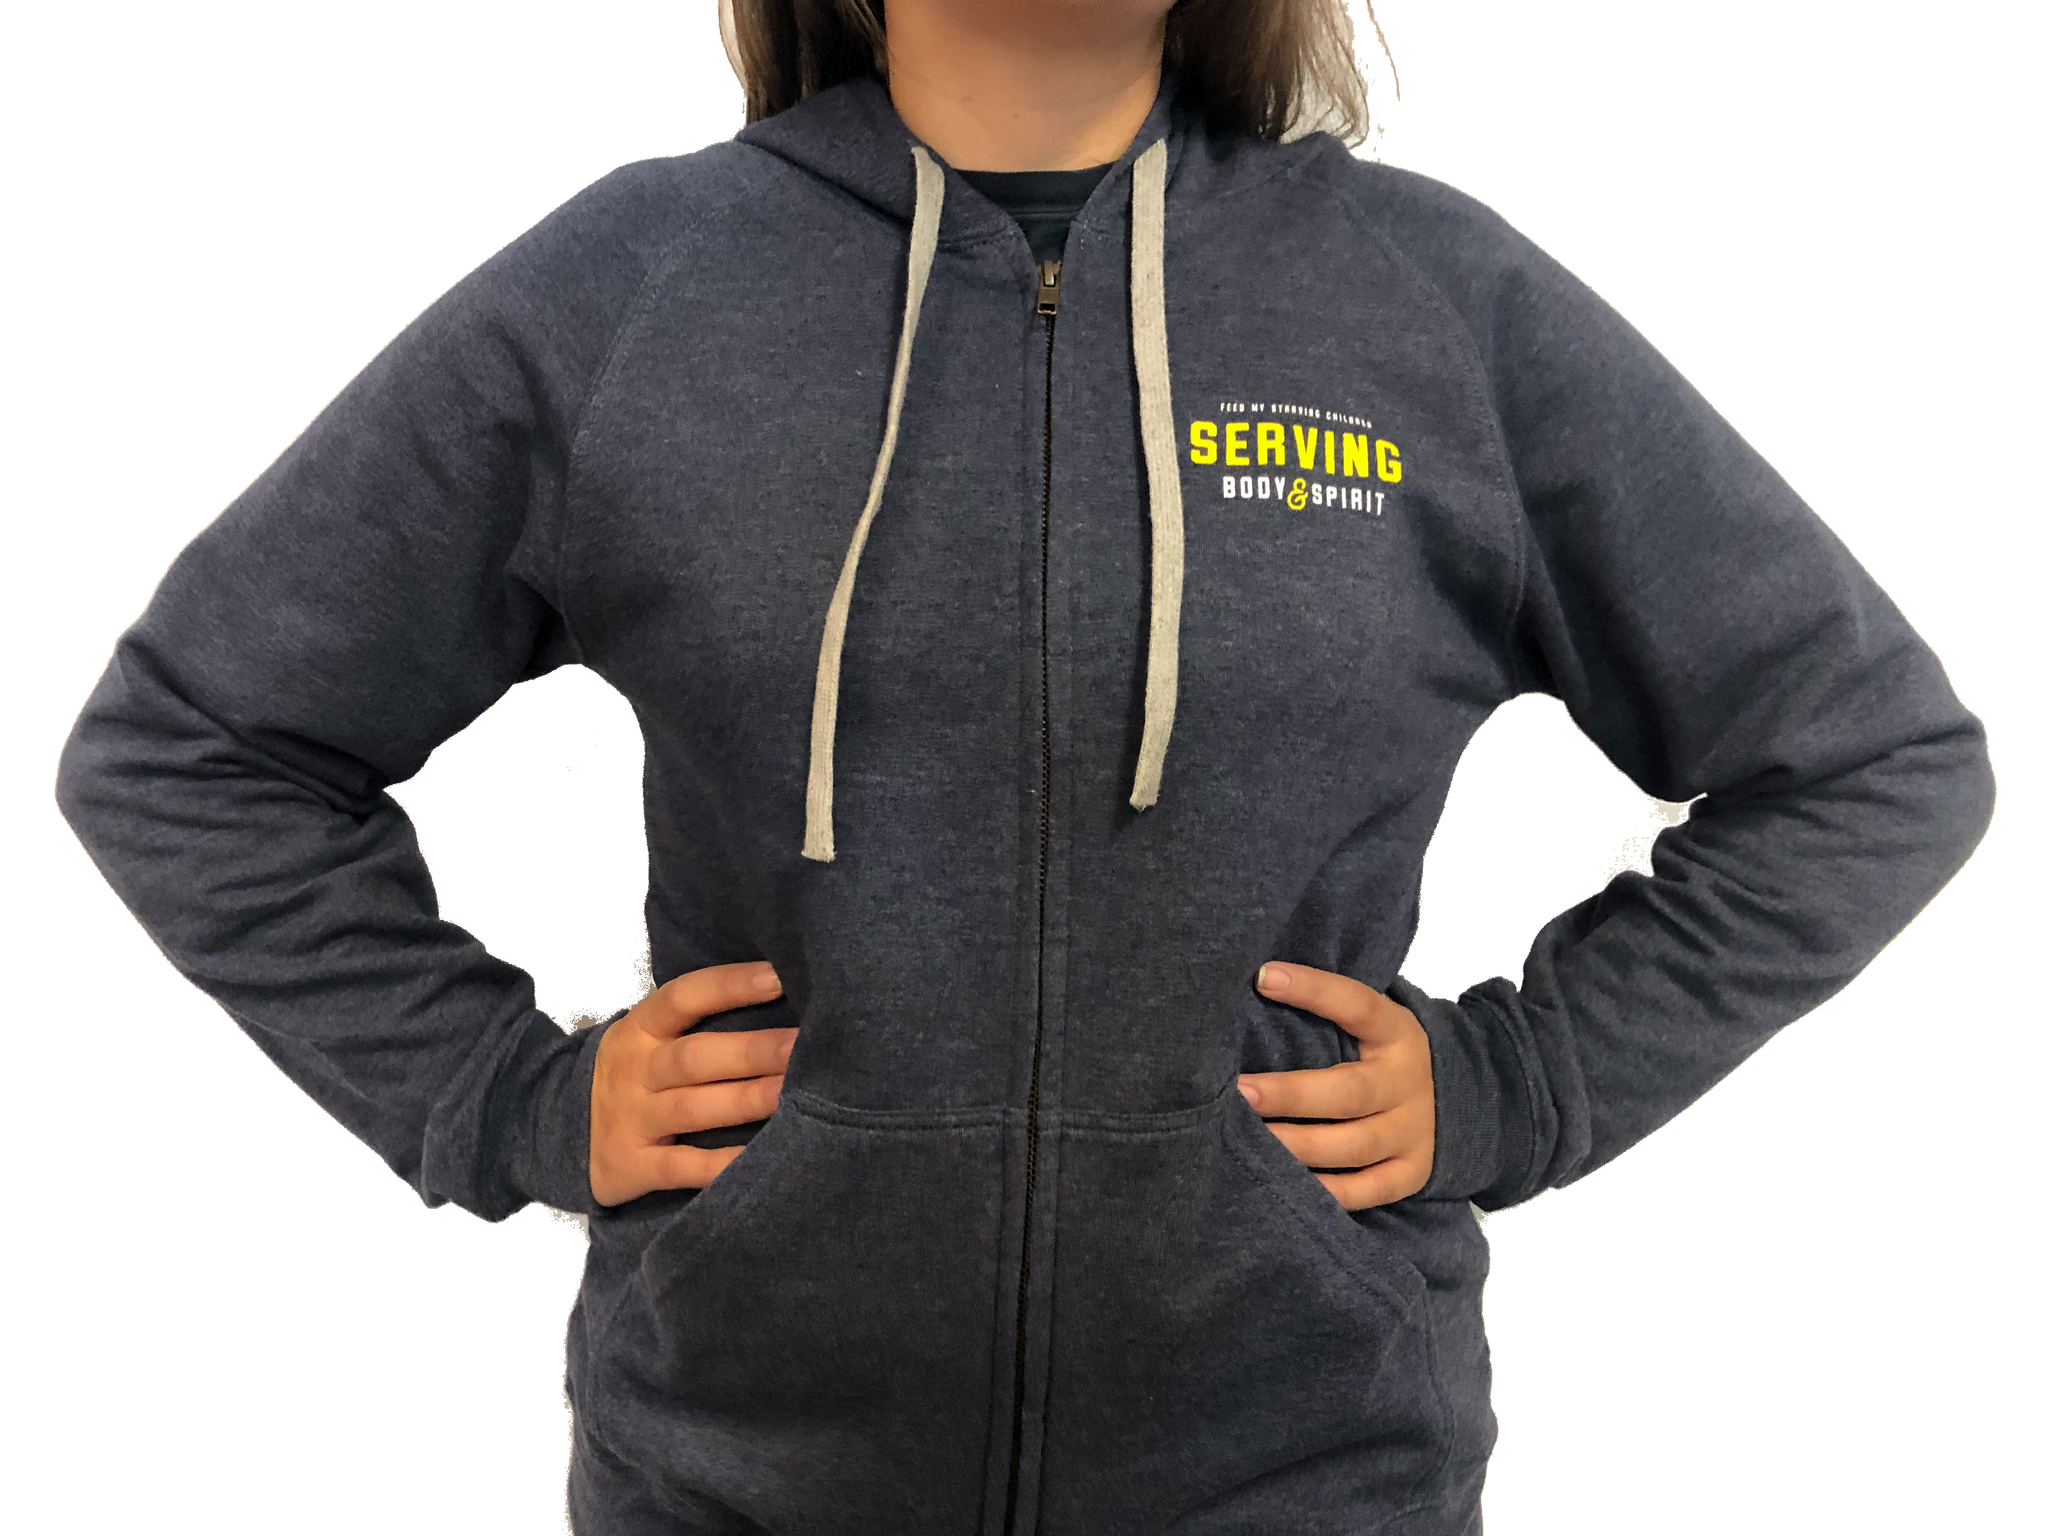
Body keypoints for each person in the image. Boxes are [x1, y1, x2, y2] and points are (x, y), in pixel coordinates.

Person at [51, 0, 1994, 1531]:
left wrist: (1525, 1078)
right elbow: (193, 743)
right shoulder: (636, 289)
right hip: (736, 1477)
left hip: (1309, 1480)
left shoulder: (1432, 308)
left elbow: (1868, 757)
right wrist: (502, 1097)